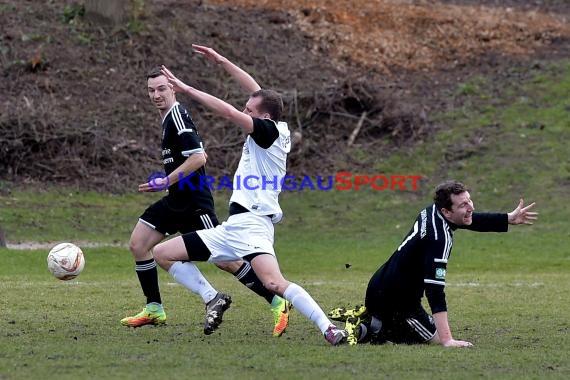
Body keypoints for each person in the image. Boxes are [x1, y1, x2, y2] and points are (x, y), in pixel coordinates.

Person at [152, 44, 348, 345]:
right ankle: (211, 297)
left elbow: (230, 112)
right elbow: (255, 89)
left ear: (264, 116)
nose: (246, 110)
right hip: (233, 227)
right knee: (162, 253)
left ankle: (328, 329)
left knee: (274, 282)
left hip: (255, 223)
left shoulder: (267, 131)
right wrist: (221, 60)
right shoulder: (274, 124)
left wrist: (188, 89)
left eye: (250, 110)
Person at [121, 66, 291, 337]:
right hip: (175, 199)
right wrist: (218, 59)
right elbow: (257, 92)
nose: (156, 95)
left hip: (193, 201)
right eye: (151, 90)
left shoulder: (178, 116)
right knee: (139, 244)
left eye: (162, 88)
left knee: (226, 261)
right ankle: (154, 308)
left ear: (173, 88)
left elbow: (199, 157)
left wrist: (166, 180)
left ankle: (274, 300)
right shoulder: (167, 117)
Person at [329, 180, 538, 347]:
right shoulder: (439, 240)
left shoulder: (431, 212)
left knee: (418, 327)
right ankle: (373, 330)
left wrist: (507, 219)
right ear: (447, 211)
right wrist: (447, 340)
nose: (470, 207)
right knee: (434, 339)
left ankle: (376, 318)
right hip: (399, 304)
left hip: (379, 285)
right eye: (463, 204)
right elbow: (435, 291)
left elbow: (467, 218)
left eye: (469, 200)